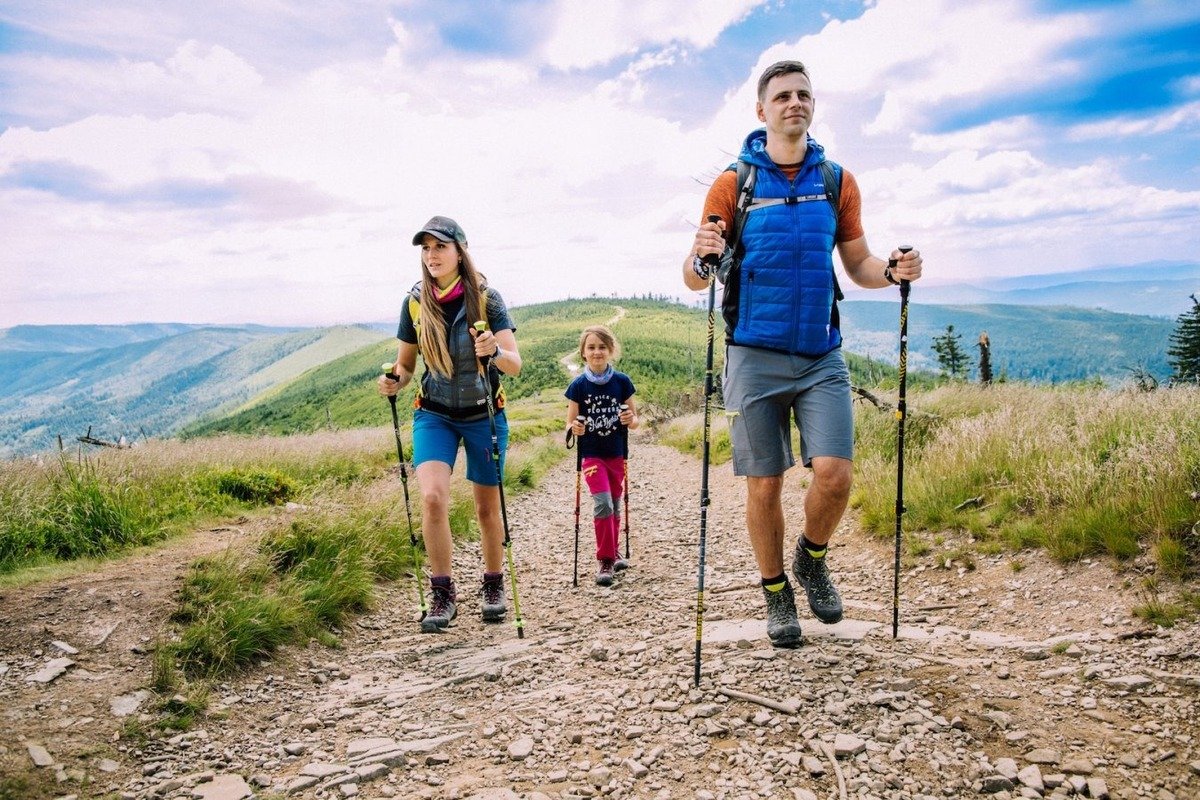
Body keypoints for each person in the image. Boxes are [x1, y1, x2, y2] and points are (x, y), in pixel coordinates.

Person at [681, 60, 923, 648]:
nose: (796, 103)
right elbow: (696, 277)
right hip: (752, 353)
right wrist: (699, 255)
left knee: (835, 476)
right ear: (761, 111)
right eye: (783, 96)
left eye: (804, 95)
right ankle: (775, 592)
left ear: (813, 106)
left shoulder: (836, 180)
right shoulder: (734, 184)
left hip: (821, 353)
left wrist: (890, 272)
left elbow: (858, 264)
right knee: (764, 484)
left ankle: (811, 559)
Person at [378, 215, 522, 633]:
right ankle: (443, 594)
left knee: (485, 508)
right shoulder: (415, 303)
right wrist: (393, 382)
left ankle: (493, 585)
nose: (432, 255)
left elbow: (514, 365)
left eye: (439, 246)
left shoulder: (487, 299)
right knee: (433, 499)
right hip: (434, 412)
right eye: (426, 249)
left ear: (460, 250)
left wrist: (494, 349)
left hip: (484, 414)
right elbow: (405, 368)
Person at [564, 325, 639, 586]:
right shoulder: (578, 386)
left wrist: (630, 419)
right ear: (583, 353)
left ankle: (614, 550)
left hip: (616, 454)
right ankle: (605, 559)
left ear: (611, 350)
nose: (597, 352)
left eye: (602, 347)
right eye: (591, 347)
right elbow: (569, 424)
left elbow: (635, 421)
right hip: (592, 455)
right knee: (604, 502)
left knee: (615, 504)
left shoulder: (622, 382)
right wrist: (574, 429)